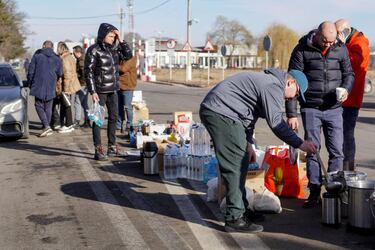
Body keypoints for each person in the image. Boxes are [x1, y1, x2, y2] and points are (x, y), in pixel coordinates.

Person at [200, 68, 317, 233]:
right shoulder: (273, 85)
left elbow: (249, 117)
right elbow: (276, 122)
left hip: (225, 113)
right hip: (220, 113)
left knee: (242, 160)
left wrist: (248, 143)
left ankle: (241, 209)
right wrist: (300, 144)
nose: (292, 98)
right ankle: (234, 218)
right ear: (290, 82)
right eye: (296, 93)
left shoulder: (268, 83)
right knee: (235, 164)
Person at [287, 21, 354, 208]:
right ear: (317, 34)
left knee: (337, 152)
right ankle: (314, 192)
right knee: (312, 150)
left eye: (332, 42)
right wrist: (291, 114)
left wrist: (346, 89)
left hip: (334, 108)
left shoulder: (340, 49)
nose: (329, 45)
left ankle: (334, 192)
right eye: (325, 41)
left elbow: (349, 74)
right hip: (310, 108)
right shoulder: (301, 50)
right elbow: (291, 81)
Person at [85, 23, 132, 161]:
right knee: (98, 120)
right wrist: (92, 91)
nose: (113, 38)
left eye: (114, 36)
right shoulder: (93, 50)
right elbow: (88, 72)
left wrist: (121, 39)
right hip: (100, 91)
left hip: (113, 89)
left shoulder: (114, 50)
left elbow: (128, 55)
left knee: (113, 117)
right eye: (110, 36)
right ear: (103, 36)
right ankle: (98, 149)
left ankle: (112, 146)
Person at [335, 19, 370, 171]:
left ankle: (348, 170)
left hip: (351, 99)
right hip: (344, 98)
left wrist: (341, 47)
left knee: (347, 136)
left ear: (345, 31)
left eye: (337, 34)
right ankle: (343, 169)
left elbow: (351, 64)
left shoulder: (360, 44)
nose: (335, 37)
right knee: (340, 136)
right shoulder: (352, 43)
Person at [27, 40, 63, 137]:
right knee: (48, 106)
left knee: (38, 105)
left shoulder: (37, 56)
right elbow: (60, 73)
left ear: (43, 46)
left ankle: (46, 126)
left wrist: (30, 83)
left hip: (38, 84)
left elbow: (31, 72)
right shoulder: (57, 58)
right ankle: (46, 126)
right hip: (51, 85)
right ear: (52, 47)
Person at [56, 41, 81, 133]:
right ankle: (65, 124)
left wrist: (65, 89)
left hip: (67, 85)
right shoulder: (70, 57)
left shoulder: (65, 59)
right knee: (65, 104)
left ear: (60, 49)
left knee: (67, 105)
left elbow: (67, 74)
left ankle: (69, 125)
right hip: (72, 83)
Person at [117, 54, 137, 133]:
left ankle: (129, 124)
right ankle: (119, 124)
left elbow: (123, 69)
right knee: (119, 107)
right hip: (120, 86)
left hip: (128, 87)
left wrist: (114, 65)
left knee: (127, 107)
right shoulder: (121, 59)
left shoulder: (130, 60)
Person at [73, 45, 90, 128]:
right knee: (84, 103)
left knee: (77, 102)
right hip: (85, 84)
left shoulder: (81, 61)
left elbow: (84, 73)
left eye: (74, 53)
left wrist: (79, 80)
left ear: (78, 52)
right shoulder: (83, 59)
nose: (73, 55)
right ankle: (87, 120)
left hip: (82, 84)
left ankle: (77, 121)